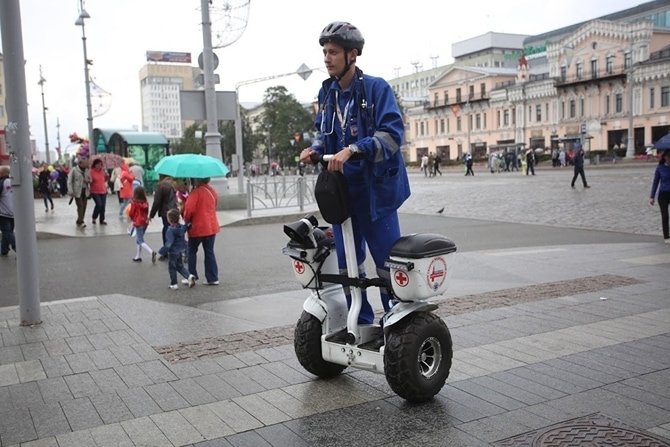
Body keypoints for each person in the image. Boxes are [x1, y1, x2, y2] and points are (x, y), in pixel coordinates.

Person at [300, 21, 410, 325]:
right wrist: (314, 149)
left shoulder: (376, 88)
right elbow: (326, 135)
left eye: (333, 51)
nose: (326, 57)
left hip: (377, 193)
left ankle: (396, 321)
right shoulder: (328, 93)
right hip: (344, 193)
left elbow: (392, 134)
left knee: (387, 262)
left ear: (353, 54)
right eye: (324, 51)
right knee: (350, 261)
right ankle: (359, 321)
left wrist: (355, 148)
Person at [182, 177, 220, 285]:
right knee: (209, 251)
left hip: (198, 227)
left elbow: (189, 210)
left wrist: (186, 219)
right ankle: (212, 277)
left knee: (191, 251)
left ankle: (191, 275)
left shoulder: (196, 192)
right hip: (211, 226)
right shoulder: (212, 191)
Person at [159, 209, 195, 289]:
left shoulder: (170, 230)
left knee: (172, 268)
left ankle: (174, 284)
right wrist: (189, 223)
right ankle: (189, 276)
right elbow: (186, 226)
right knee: (180, 266)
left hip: (172, 252)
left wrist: (162, 251)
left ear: (169, 220)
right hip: (180, 250)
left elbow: (169, 243)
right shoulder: (181, 228)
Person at [127, 186, 157, 263]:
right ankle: (138, 256)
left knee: (140, 240)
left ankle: (151, 252)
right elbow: (146, 212)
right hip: (145, 222)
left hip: (138, 221)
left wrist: (132, 219)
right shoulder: (145, 202)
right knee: (139, 239)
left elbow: (131, 212)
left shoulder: (134, 202)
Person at [150, 174, 176, 253]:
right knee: (174, 230)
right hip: (175, 211)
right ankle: (176, 249)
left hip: (166, 212)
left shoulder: (161, 185)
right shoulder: (174, 183)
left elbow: (157, 202)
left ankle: (166, 251)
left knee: (167, 230)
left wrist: (151, 215)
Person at [649, 149, 670, 244]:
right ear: (665, 158)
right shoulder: (660, 168)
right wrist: (652, 196)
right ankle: (666, 236)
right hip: (663, 194)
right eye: (668, 157)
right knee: (665, 215)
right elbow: (655, 182)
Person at [67, 158, 91, 228]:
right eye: (85, 163)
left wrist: (88, 180)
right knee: (80, 206)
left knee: (84, 206)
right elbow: (69, 181)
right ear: (80, 163)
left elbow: (90, 179)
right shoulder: (74, 170)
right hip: (77, 191)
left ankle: (79, 219)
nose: (87, 164)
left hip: (85, 190)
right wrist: (70, 190)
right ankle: (81, 221)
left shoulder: (87, 170)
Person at [0, 166, 16, 256]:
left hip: (3, 212)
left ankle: (17, 247)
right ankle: (4, 249)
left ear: (1, 173)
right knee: (8, 231)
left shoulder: (1, 183)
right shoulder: (12, 182)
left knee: (6, 232)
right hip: (13, 212)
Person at [89, 158, 109, 224]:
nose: (99, 166)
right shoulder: (91, 171)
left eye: (101, 164)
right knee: (99, 204)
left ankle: (102, 219)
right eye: (98, 164)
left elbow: (105, 180)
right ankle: (94, 217)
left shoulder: (103, 171)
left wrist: (107, 176)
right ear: (95, 165)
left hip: (103, 190)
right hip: (95, 191)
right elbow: (90, 180)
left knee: (103, 206)